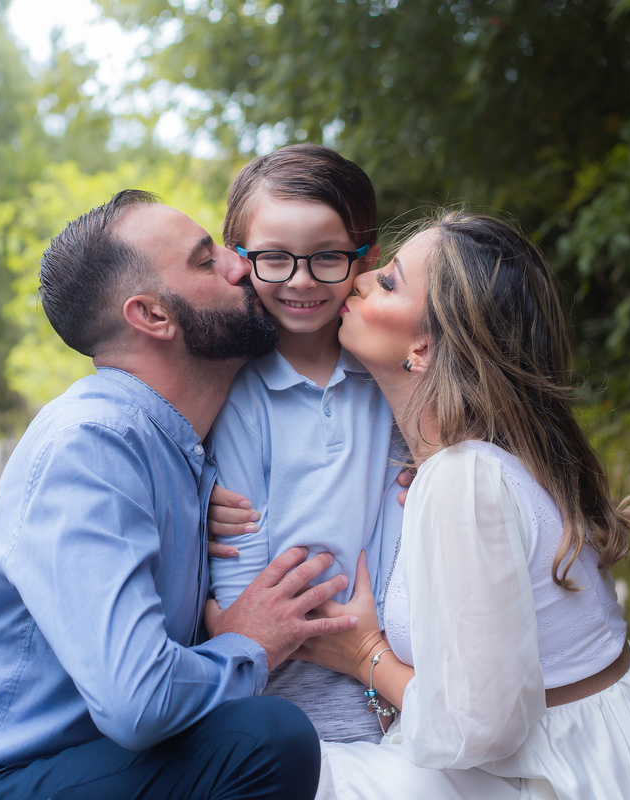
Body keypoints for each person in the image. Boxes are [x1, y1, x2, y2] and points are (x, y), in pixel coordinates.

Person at [0, 190, 360, 800]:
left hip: (76, 772)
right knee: (264, 739)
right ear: (152, 316)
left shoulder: (181, 451)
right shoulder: (92, 443)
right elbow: (140, 703)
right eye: (206, 260)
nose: (241, 264)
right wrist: (248, 643)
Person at [284, 210, 630, 799]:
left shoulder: (464, 478)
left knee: (278, 769)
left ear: (424, 348)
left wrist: (366, 656)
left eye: (389, 281)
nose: (360, 278)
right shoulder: (486, 462)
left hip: (554, 778)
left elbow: (480, 727)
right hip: (600, 752)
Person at [204, 144, 402, 744]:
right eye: (274, 258)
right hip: (282, 699)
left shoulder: (393, 371)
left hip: (395, 678)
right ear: (240, 259)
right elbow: (240, 570)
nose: (301, 280)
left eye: (327, 257)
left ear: (365, 258)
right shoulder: (234, 389)